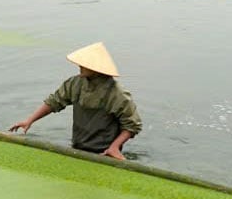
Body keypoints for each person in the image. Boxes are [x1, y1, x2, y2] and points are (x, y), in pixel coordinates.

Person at [10, 42, 142, 161]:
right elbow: (54, 102)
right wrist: (29, 121)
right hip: (78, 146)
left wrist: (114, 147)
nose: (80, 66)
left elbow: (132, 125)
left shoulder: (116, 94)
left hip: (104, 153)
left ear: (96, 69)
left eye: (84, 64)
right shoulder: (75, 83)